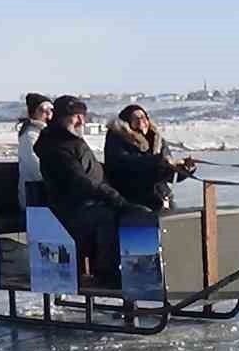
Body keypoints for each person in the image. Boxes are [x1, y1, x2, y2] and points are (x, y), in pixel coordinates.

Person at [34, 95, 156, 287]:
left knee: (142, 208)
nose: (81, 121)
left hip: (89, 200)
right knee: (108, 217)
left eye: (82, 116)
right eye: (75, 116)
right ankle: (109, 275)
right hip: (72, 207)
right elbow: (80, 182)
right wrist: (116, 199)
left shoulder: (71, 140)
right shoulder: (55, 146)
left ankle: (147, 272)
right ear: (60, 118)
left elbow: (95, 172)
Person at [105, 104, 196, 211]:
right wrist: (159, 162)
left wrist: (184, 168)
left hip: (162, 197)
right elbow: (127, 164)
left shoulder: (156, 139)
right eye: (136, 118)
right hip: (133, 199)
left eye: (143, 117)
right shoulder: (117, 139)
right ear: (127, 122)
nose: (141, 121)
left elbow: (168, 174)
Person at [15, 93, 51, 208]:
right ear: (33, 112)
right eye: (43, 110)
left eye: (51, 110)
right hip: (34, 196)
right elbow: (36, 168)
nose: (49, 114)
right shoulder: (30, 136)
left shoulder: (46, 133)